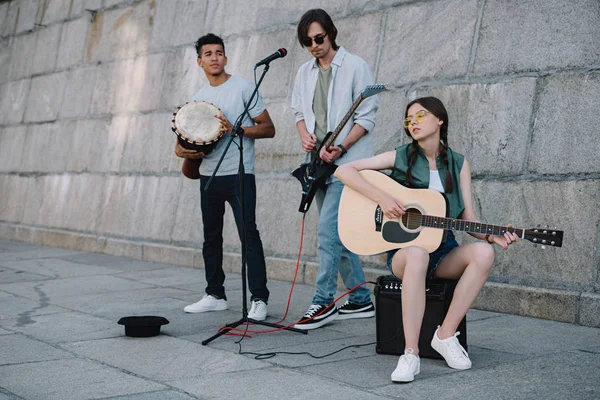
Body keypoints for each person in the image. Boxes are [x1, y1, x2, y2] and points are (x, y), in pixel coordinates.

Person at [334, 96, 520, 382]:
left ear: (439, 119)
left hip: (444, 250)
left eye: (420, 116)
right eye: (409, 120)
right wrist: (382, 198)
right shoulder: (400, 156)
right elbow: (343, 170)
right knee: (418, 252)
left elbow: (467, 219)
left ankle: (445, 335)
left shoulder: (458, 164)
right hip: (405, 254)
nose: (413, 124)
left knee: (484, 253)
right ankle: (410, 354)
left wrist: (492, 236)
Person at [175, 33, 276, 321]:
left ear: (226, 58)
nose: (215, 57)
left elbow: (268, 128)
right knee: (211, 237)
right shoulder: (196, 100)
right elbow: (182, 142)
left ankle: (259, 299)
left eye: (219, 52)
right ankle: (215, 294)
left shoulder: (243, 87)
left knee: (249, 235)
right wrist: (185, 152)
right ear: (199, 62)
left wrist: (236, 129)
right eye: (208, 54)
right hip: (209, 175)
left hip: (240, 173)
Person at [291, 9, 380, 330]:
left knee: (328, 232)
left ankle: (323, 301)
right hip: (316, 165)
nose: (314, 45)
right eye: (307, 41)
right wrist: (304, 135)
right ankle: (360, 301)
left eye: (319, 38)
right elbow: (298, 110)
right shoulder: (304, 72)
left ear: (331, 33)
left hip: (347, 166)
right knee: (338, 235)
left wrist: (340, 147)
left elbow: (366, 118)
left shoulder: (356, 66)